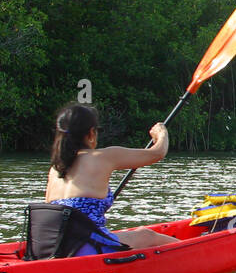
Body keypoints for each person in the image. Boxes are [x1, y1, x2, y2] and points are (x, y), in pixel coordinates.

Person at [45, 103, 173, 251]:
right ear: (91, 133)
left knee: (134, 235)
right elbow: (158, 153)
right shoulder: (103, 157)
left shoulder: (55, 169)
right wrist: (161, 132)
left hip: (54, 247)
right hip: (85, 246)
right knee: (148, 236)